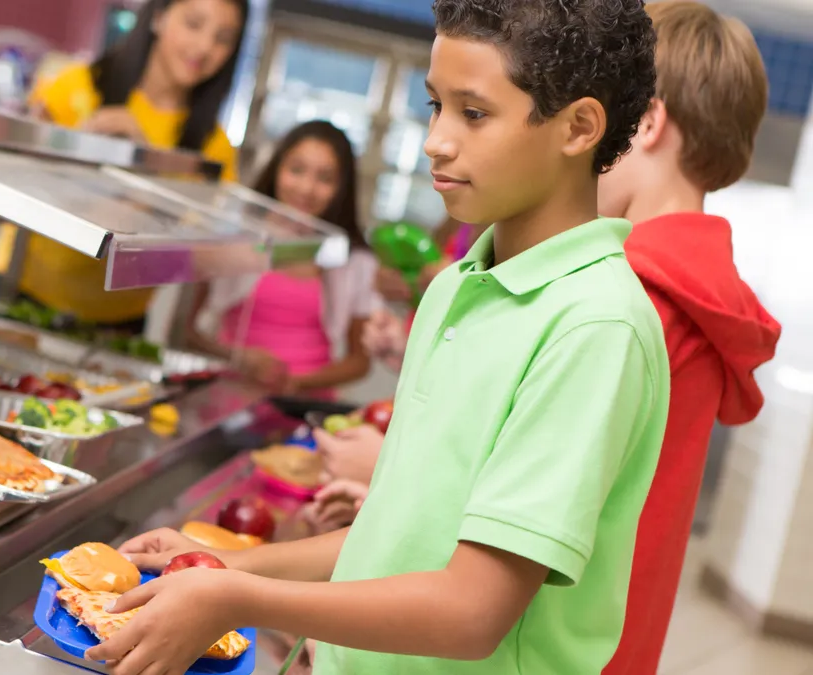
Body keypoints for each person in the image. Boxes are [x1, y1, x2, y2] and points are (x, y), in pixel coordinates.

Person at [100, 2, 666, 674]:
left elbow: (472, 610)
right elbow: (390, 535)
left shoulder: (594, 326)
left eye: (473, 112)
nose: (435, 140)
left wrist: (239, 597)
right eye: (434, 105)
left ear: (578, 127)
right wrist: (229, 561)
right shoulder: (458, 285)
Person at [597, 4, 780, 673]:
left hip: (554, 640)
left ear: (646, 122)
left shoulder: (629, 295)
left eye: (598, 117)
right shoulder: (703, 292)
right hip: (627, 638)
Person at [0, 0, 247, 333]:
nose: (205, 47)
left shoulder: (215, 146)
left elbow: (201, 254)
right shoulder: (78, 85)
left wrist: (145, 165)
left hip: (119, 325)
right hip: (21, 295)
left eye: (223, 38)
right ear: (159, 17)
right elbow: (13, 181)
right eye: (194, 24)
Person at [183, 121, 381, 397]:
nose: (306, 188)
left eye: (325, 178)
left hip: (305, 405)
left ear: (341, 188)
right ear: (276, 168)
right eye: (296, 170)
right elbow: (187, 333)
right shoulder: (234, 239)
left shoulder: (354, 260)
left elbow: (359, 361)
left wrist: (295, 383)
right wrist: (238, 358)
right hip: (228, 394)